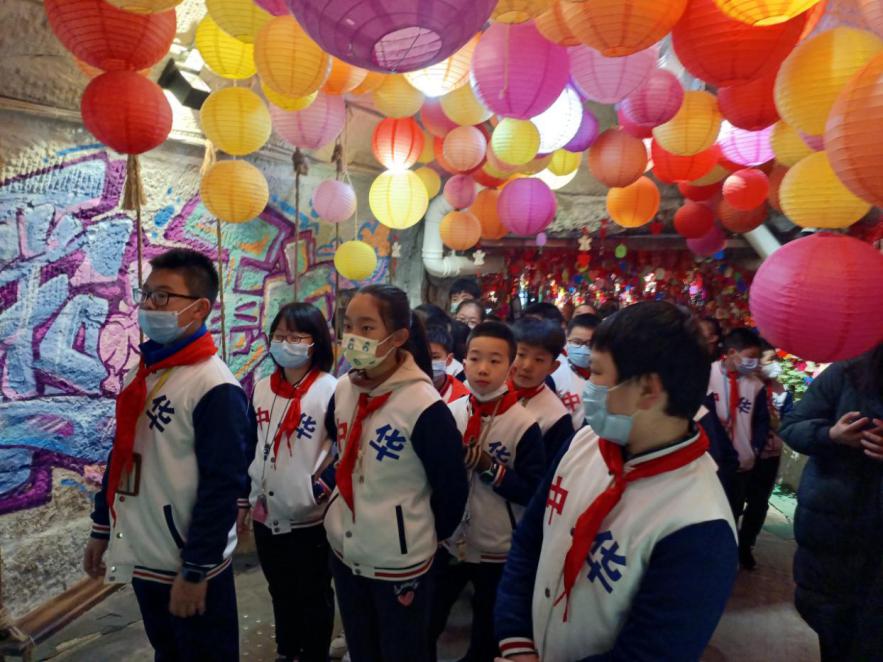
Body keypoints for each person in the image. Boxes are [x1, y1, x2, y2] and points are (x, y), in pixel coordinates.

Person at [495, 301, 738, 661]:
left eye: (596, 372)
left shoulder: (700, 523)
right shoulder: (584, 442)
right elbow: (530, 541)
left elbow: (652, 654)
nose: (588, 386)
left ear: (648, 390)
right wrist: (516, 641)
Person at [84, 248, 252, 661]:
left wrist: (196, 568)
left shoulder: (214, 387)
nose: (148, 306)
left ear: (199, 309)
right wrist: (102, 526)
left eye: (162, 296)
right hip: (146, 556)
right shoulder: (144, 372)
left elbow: (222, 487)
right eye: (146, 294)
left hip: (188, 563)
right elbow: (121, 453)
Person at [323, 284, 469, 662]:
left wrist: (413, 533)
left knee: (402, 651)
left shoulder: (424, 406)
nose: (353, 337)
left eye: (367, 328)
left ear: (399, 337)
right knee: (362, 647)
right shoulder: (345, 389)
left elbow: (451, 489)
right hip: (345, 550)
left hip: (399, 563)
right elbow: (339, 447)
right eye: (348, 326)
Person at [431, 321, 544, 662]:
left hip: (498, 547)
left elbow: (533, 491)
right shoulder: (450, 413)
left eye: (495, 361)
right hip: (451, 539)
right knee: (429, 618)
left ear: (510, 367)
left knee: (487, 630)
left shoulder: (524, 425)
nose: (482, 369)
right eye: (475, 358)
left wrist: (491, 468)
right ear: (462, 361)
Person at [243, 303, 338, 662]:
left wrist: (319, 488)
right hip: (266, 511)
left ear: (316, 342)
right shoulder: (261, 388)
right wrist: (244, 497)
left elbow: (345, 449)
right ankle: (287, 651)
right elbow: (250, 443)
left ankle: (314, 654)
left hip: (310, 517)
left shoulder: (331, 390)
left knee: (314, 592)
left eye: (296, 337)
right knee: (279, 589)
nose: (286, 344)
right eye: (280, 336)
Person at [779, 343, 883, 662]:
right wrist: (831, 435)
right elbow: (792, 426)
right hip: (836, 532)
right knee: (835, 629)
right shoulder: (846, 373)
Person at [705, 329, 771, 547]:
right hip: (709, 459)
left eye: (757, 358)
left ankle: (725, 552)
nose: (754, 363)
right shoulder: (707, 374)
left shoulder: (756, 385)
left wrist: (755, 448)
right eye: (751, 357)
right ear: (732, 352)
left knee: (731, 511)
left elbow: (762, 421)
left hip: (742, 462)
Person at [733, 342, 793, 570]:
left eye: (775, 360)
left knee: (758, 504)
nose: (773, 365)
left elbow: (790, 421)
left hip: (769, 456)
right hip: (744, 453)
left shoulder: (781, 391)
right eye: (769, 360)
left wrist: (777, 424)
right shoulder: (741, 385)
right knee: (735, 500)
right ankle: (728, 543)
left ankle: (746, 545)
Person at [511, 318, 575, 463]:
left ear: (553, 367)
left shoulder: (556, 418)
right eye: (521, 355)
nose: (527, 366)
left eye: (539, 360)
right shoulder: (490, 388)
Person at [559, 313, 603, 431]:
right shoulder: (554, 375)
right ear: (567, 339)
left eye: (590, 344)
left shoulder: (608, 377)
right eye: (577, 342)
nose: (583, 348)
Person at [427, 324, 469, 404]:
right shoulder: (407, 388)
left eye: (435, 357)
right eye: (422, 356)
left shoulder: (463, 397)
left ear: (449, 359)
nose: (427, 362)